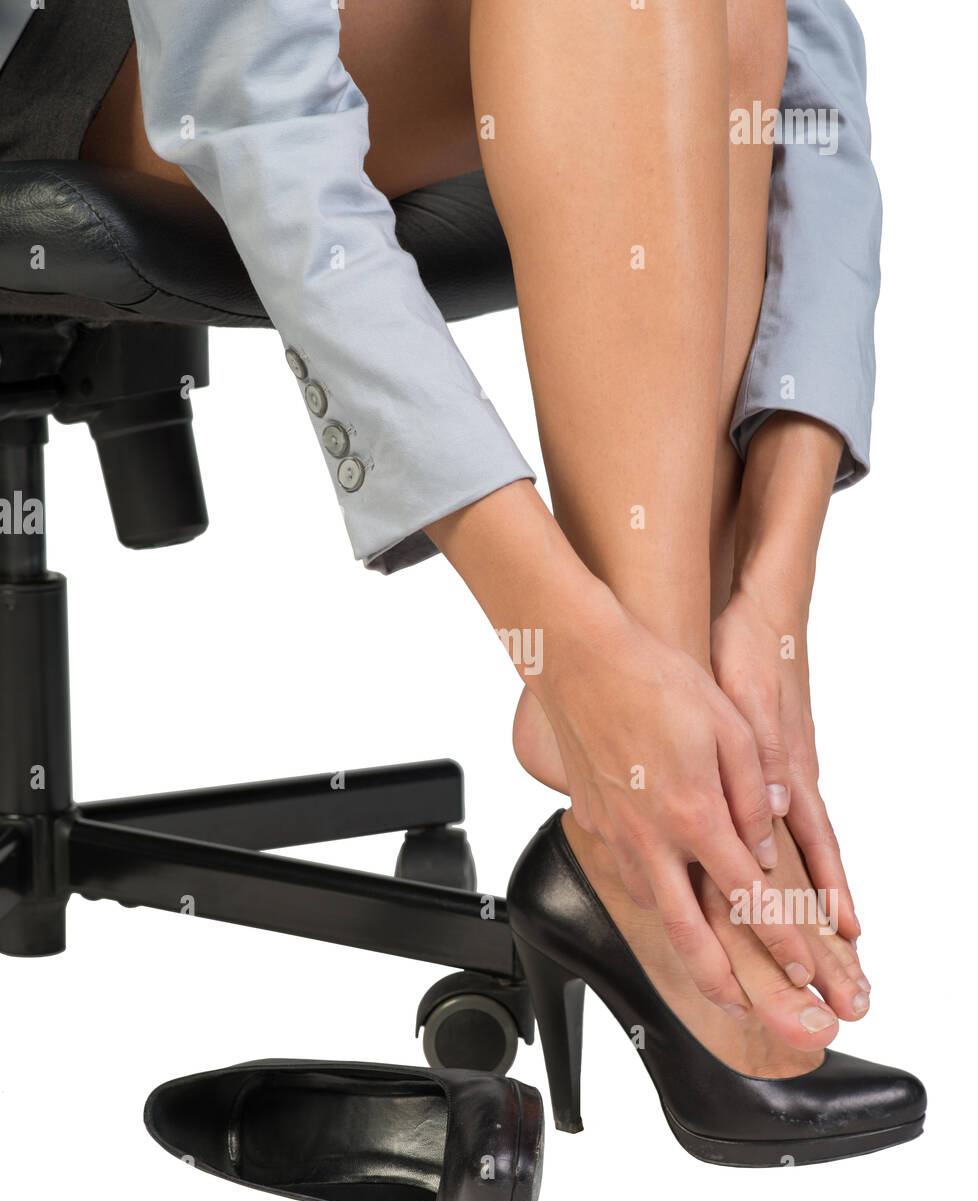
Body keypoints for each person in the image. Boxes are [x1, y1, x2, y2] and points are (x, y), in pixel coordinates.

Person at [2, 3, 921, 1141]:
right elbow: (248, 99)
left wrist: (775, 594)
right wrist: (565, 638)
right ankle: (648, 826)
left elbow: (807, 56)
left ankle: (652, 792)